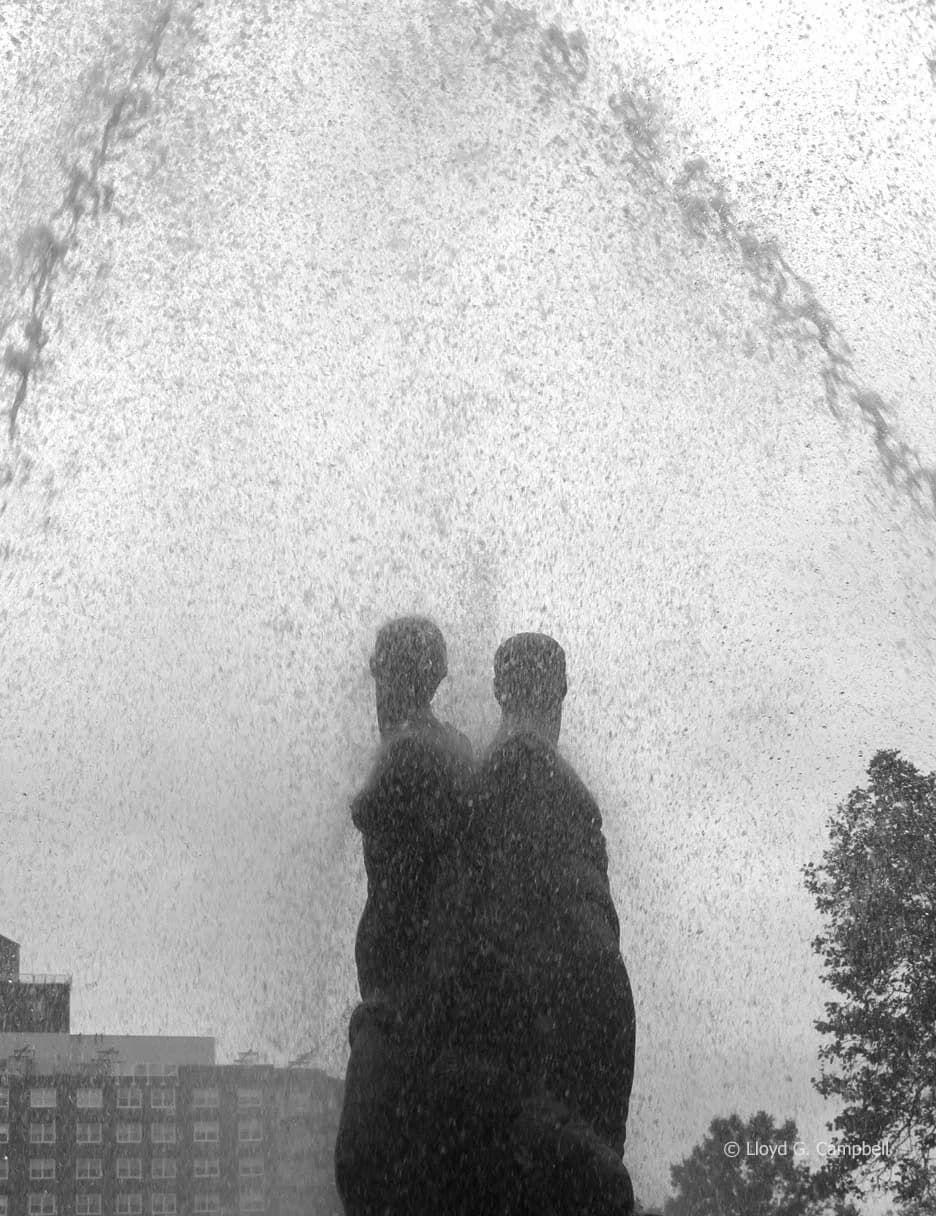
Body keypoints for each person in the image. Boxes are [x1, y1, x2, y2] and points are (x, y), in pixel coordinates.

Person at [469, 632, 637, 1212]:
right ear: (562, 688)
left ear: (497, 690)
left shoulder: (489, 773)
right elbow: (588, 945)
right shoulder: (540, 774)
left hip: (541, 1017)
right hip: (575, 1012)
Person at [335, 615, 476, 1216]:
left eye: (380, 672)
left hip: (404, 991)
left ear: (397, 677)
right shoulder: (451, 747)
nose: (374, 687)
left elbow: (370, 812)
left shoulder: (409, 751)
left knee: (362, 1159)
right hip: (426, 983)